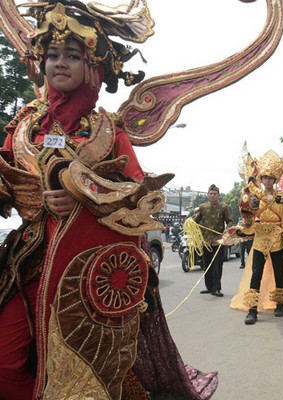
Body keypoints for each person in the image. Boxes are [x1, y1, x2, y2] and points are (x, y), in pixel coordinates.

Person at [0, 2, 217, 398]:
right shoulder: (24, 125)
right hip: (27, 263)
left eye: (71, 56)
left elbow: (139, 200)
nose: (59, 64)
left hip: (83, 278)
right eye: (52, 55)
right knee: (7, 361)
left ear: (93, 65)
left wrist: (85, 204)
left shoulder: (108, 131)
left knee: (76, 370)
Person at [230, 150, 283, 324]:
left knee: (279, 272)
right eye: (264, 178)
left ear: (275, 180)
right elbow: (248, 220)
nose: (267, 181)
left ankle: (279, 304)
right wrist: (248, 214)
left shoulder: (282, 199)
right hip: (259, 239)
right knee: (256, 273)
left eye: (271, 178)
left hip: (277, 239)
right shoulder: (255, 197)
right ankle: (252, 309)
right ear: (261, 179)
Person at [192, 184, 233, 297]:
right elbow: (195, 220)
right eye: (210, 193)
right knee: (207, 265)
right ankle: (209, 287)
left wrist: (227, 229)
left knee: (217, 265)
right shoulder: (203, 207)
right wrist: (189, 223)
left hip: (219, 241)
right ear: (208, 195)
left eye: (215, 194)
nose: (212, 195)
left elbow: (229, 221)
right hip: (206, 240)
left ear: (218, 195)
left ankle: (217, 288)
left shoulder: (223, 207)